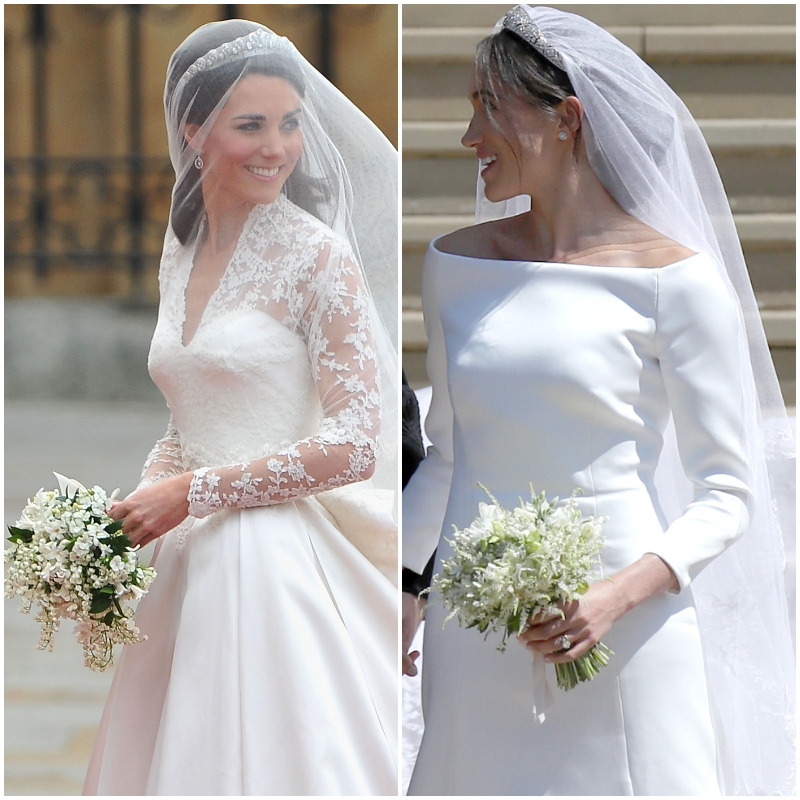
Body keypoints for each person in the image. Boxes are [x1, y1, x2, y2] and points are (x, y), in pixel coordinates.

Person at [402, 5, 795, 796]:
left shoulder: (677, 283)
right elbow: (445, 454)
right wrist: (404, 590)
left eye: (488, 106)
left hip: (625, 625)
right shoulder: (453, 263)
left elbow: (727, 492)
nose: (468, 136)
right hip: (474, 630)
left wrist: (614, 599)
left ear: (566, 119)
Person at [83, 19, 399, 796]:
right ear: (193, 131)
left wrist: (189, 494)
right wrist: (129, 512)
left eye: (289, 123)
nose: (277, 147)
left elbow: (357, 444)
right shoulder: (181, 244)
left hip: (273, 560)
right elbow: (190, 412)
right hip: (183, 559)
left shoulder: (317, 255)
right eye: (249, 124)